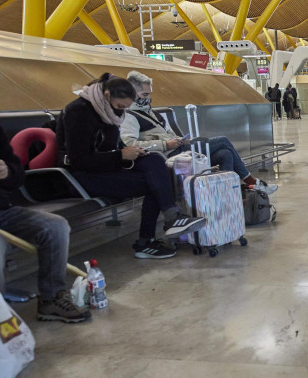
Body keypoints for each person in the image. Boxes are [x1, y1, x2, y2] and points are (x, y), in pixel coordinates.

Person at [56, 73, 206, 259]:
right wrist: (121, 155)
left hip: (106, 167)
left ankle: (172, 217)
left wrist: (130, 151)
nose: (121, 112)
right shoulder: (78, 112)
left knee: (155, 160)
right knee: (152, 184)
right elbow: (80, 160)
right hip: (80, 176)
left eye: (125, 108)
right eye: (120, 106)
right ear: (107, 95)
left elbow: (113, 145)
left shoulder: (110, 111)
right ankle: (146, 242)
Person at [120, 71, 277, 195]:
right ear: (132, 94)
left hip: (180, 150)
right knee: (222, 141)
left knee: (225, 154)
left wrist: (178, 139)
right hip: (171, 156)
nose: (148, 99)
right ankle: (252, 181)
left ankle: (224, 193)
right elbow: (130, 144)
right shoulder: (130, 117)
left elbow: (166, 132)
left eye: (149, 94)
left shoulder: (150, 113)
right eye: (144, 95)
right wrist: (165, 144)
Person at [0, 121, 91, 323]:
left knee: (55, 226)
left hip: (1, 211)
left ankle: (51, 299)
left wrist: (7, 172)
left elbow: (17, 174)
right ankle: (0, 316)